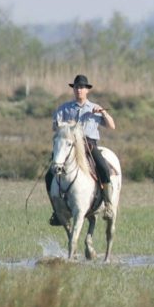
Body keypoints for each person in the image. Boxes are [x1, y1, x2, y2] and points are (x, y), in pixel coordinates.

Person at [46, 74, 117, 224]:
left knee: (103, 167)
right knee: (49, 174)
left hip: (89, 145)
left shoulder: (94, 108)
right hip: (69, 146)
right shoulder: (64, 108)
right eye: (77, 87)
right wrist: (61, 125)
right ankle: (57, 210)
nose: (79, 90)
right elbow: (55, 127)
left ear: (87, 90)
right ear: (74, 89)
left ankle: (109, 204)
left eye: (82, 87)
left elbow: (112, 126)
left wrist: (103, 113)